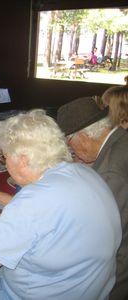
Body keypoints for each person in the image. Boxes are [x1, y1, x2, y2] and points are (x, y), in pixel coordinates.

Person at [0, 109, 121, 300]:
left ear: (24, 160)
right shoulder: (83, 173)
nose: (5, 163)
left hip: (42, 292)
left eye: (5, 157)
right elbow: (44, 218)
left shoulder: (35, 200)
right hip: (79, 285)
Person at [57, 97, 128, 300]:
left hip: (116, 273)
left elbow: (100, 235)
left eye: (70, 144)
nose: (72, 152)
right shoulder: (120, 140)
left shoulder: (112, 172)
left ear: (84, 137)